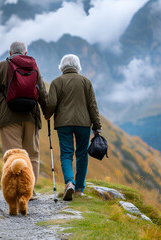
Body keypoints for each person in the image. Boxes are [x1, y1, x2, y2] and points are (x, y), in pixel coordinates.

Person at [0, 41, 47, 199]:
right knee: (32, 155)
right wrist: (47, 111)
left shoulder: (3, 66)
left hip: (9, 116)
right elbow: (42, 91)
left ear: (10, 52)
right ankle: (29, 191)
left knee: (14, 155)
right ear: (25, 53)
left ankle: (16, 190)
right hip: (31, 116)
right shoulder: (34, 66)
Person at [45, 54, 102, 201]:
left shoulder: (56, 82)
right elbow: (92, 105)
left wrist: (47, 114)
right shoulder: (85, 82)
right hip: (83, 124)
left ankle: (69, 182)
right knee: (82, 154)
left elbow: (51, 103)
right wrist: (97, 126)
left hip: (63, 124)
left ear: (62, 66)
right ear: (77, 66)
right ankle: (79, 189)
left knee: (66, 154)